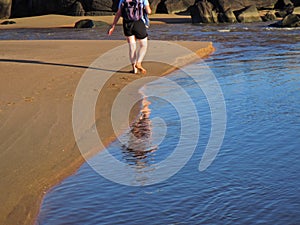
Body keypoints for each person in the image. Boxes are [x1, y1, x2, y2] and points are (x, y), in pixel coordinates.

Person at [108, 0, 152, 74]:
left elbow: (119, 13)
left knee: (132, 47)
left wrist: (113, 26)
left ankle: (134, 69)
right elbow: (148, 11)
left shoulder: (123, 0)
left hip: (127, 24)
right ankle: (138, 62)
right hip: (138, 23)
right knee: (143, 45)